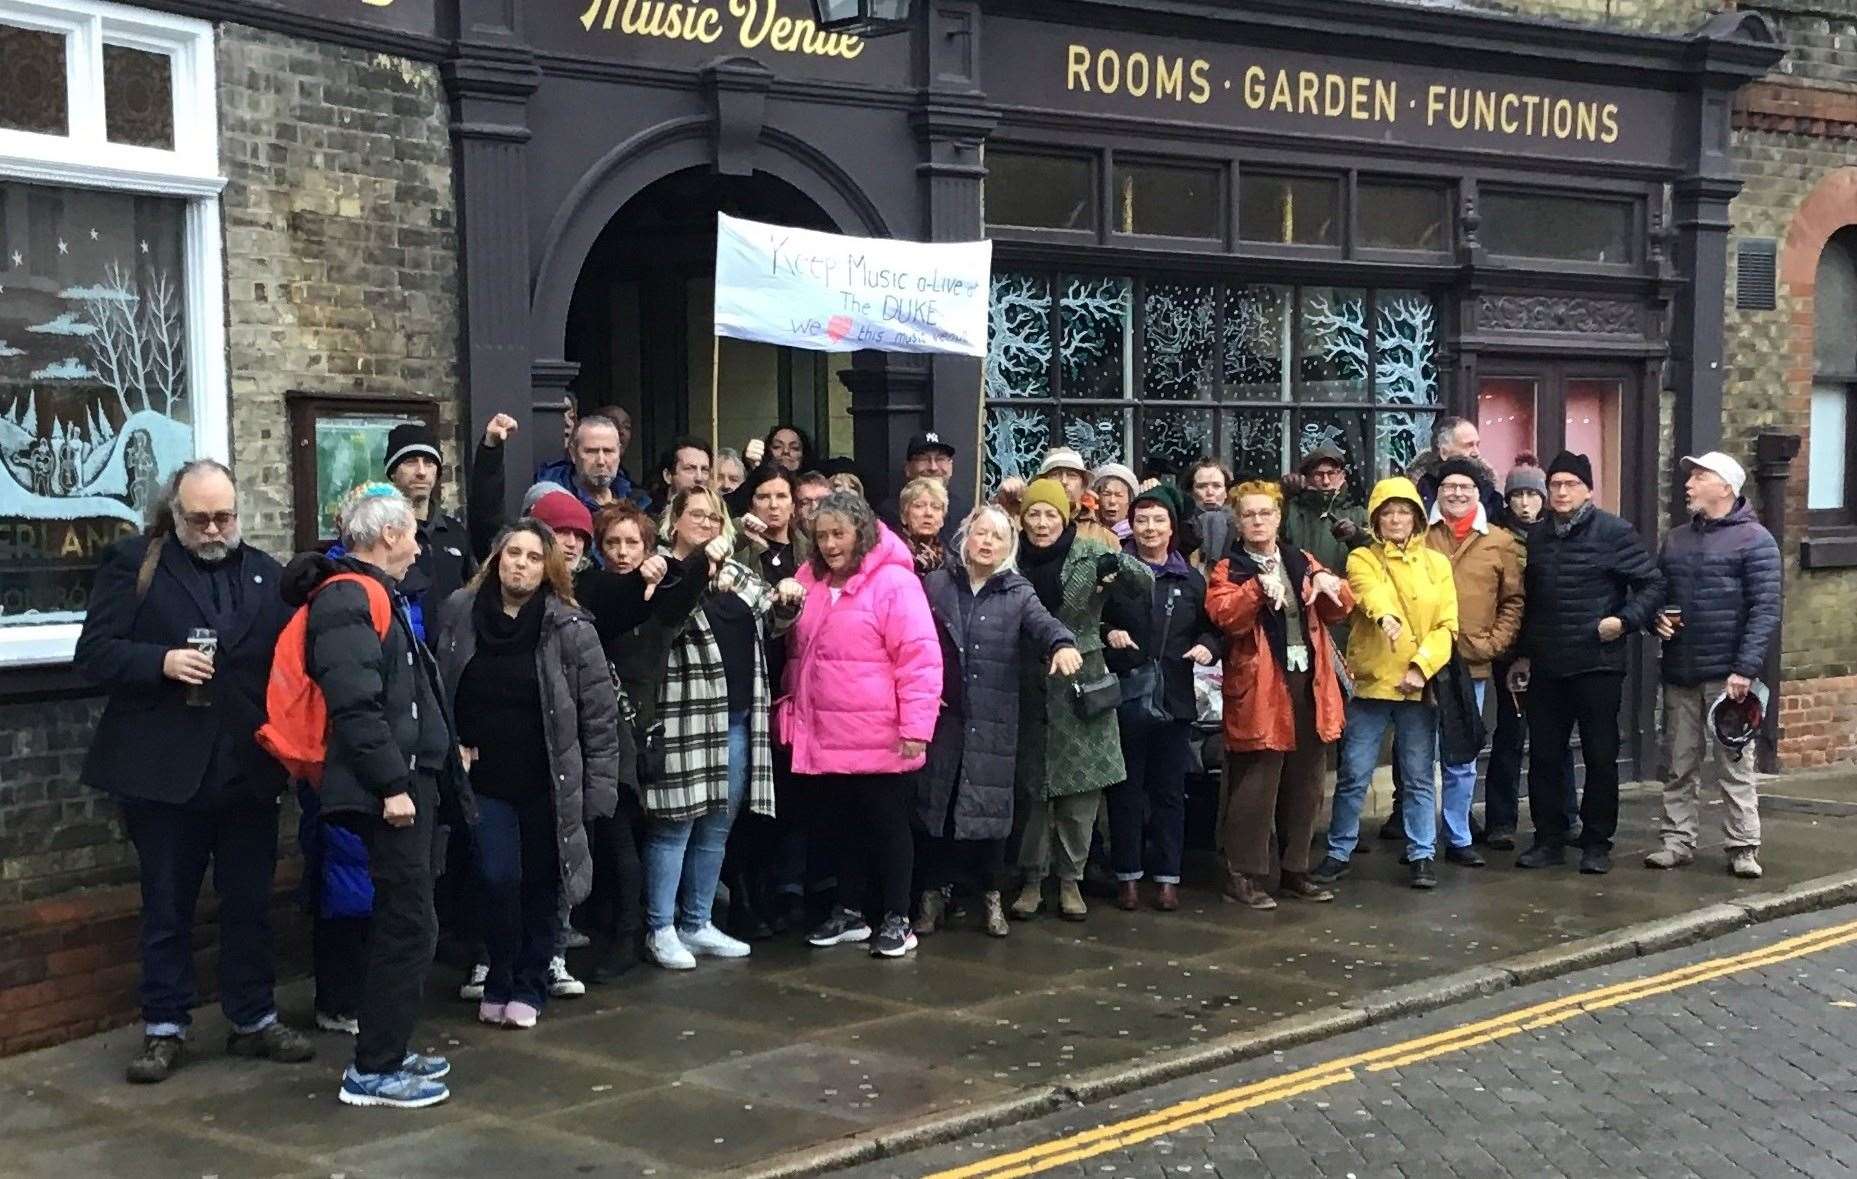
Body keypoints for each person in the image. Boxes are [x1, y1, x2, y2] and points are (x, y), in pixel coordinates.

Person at [76, 460, 313, 1084]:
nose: (213, 529)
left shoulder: (267, 573)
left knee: (249, 903)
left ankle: (254, 1018)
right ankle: (164, 1027)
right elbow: (93, 655)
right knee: (167, 904)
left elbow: (290, 666)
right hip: (162, 772)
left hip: (247, 770)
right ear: (175, 515)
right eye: (200, 518)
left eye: (224, 517)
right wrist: (162, 662)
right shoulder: (136, 563)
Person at [293, 484, 463, 1109]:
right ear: (388, 534)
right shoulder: (349, 596)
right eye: (412, 534)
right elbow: (355, 704)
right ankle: (374, 1070)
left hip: (403, 783)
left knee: (408, 920)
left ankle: (387, 1050)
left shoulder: (369, 592)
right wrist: (393, 784)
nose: (419, 544)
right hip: (385, 791)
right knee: (407, 923)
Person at [435, 521, 621, 1029]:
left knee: (542, 885)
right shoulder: (460, 613)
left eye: (533, 557)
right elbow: (438, 686)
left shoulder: (569, 627)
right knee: (497, 878)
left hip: (548, 780)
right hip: (485, 779)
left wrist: (599, 791)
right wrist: (449, 744)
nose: (520, 563)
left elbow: (599, 715)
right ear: (496, 559)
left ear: (549, 568)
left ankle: (531, 982)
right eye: (512, 553)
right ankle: (498, 974)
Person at [643, 488, 802, 969]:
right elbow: (662, 619)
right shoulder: (660, 571)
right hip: (682, 716)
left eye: (714, 516)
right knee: (675, 825)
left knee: (716, 826)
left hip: (736, 718)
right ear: (674, 521)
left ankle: (697, 921)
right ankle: (660, 928)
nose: (706, 523)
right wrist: (699, 570)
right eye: (696, 515)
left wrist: (790, 601)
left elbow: (772, 618)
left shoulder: (736, 572)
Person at [785, 493, 943, 958]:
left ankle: (897, 916)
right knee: (842, 824)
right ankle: (849, 909)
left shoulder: (895, 583)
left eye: (840, 534)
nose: (831, 545)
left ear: (862, 532)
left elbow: (919, 658)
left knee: (889, 826)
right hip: (827, 731)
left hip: (881, 731)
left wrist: (917, 727)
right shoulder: (809, 579)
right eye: (822, 536)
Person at [915, 507, 1079, 937]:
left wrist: (1062, 643)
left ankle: (991, 897)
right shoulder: (935, 585)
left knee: (991, 814)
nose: (987, 542)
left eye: (998, 537)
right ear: (966, 537)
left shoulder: (1017, 592)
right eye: (980, 533)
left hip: (994, 720)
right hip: (944, 718)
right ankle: (933, 895)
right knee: (940, 809)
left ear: (1010, 547)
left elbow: (1044, 624)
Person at [1508, 451, 1665, 875]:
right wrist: (1522, 654)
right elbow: (1530, 603)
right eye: (1554, 485)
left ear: (1587, 490)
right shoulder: (1536, 537)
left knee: (1599, 756)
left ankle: (1596, 842)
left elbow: (1652, 585)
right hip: (1546, 663)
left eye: (1570, 485)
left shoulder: (1614, 532)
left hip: (1598, 663)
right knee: (1544, 756)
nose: (1560, 492)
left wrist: (1624, 621)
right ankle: (1548, 839)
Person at [1009, 478, 1153, 921]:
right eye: (1033, 513)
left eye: (1050, 514)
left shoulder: (1089, 551)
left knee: (1081, 794)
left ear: (1065, 516)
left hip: (1082, 681)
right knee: (1032, 792)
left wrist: (1119, 564)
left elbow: (1144, 582)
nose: (1041, 522)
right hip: (1028, 682)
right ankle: (1032, 880)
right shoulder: (1011, 559)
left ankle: (1071, 880)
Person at [1206, 481, 1353, 908]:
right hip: (1259, 686)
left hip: (1309, 681)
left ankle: (1295, 868)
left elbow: (1339, 609)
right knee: (1256, 784)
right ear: (1237, 521)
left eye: (1265, 513)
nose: (1257, 521)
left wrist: (1332, 583)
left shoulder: (1299, 559)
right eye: (1249, 514)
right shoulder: (1229, 568)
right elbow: (1224, 616)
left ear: (1278, 517)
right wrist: (1255, 591)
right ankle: (1243, 875)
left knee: (1306, 781)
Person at [1311, 477, 1459, 891]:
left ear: (1416, 517)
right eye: (1388, 512)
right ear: (1376, 519)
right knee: (1355, 774)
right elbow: (1368, 591)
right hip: (1371, 685)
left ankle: (1422, 853)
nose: (1396, 519)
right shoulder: (1362, 558)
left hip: (1416, 686)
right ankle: (1339, 850)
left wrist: (1421, 666)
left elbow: (1448, 626)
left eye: (1404, 511)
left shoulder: (1438, 564)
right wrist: (1385, 617)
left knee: (1416, 776)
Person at [579, 503, 701, 978]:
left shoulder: (662, 595)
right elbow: (608, 599)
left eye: (632, 543)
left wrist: (673, 565)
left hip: (634, 729)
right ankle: (613, 928)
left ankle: (630, 936)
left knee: (623, 833)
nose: (623, 552)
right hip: (593, 725)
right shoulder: (593, 587)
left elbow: (685, 591)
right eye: (613, 543)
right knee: (606, 833)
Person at [1648, 452, 1781, 878]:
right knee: (1679, 762)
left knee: (1735, 765)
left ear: (1725, 486)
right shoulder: (1677, 539)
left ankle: (1743, 846)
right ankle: (1676, 841)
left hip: (1729, 676)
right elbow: (1659, 592)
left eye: (1699, 476)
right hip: (1681, 668)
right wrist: (1659, 618)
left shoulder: (1756, 541)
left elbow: (1765, 610)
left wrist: (1744, 669)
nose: (1688, 484)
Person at [1105, 485, 1219, 911]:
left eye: (1158, 520)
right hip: (1128, 695)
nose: (1149, 528)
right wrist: (1108, 633)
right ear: (1130, 527)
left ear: (1172, 528)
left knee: (1170, 791)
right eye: (1141, 520)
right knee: (1127, 790)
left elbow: (1212, 627)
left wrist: (1209, 646)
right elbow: (1092, 620)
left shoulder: (1189, 579)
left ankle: (1169, 876)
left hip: (1175, 698)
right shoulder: (1116, 572)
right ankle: (1127, 876)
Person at [1424, 458, 1524, 869]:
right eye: (1449, 486)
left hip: (1472, 664)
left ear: (1479, 492)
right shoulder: (1421, 535)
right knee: (1420, 756)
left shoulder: (1500, 541)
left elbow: (1513, 600)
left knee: (1461, 756)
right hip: (1424, 662)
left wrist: (1494, 643)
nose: (1457, 494)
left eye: (1465, 487)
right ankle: (1422, 839)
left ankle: (1459, 835)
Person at [372, 419, 508, 642]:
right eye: (410, 462)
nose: (421, 472)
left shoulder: (454, 533)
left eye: (428, 462)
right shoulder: (380, 535)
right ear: (393, 472)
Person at [1483, 459, 1557, 849]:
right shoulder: (1497, 539)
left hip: (1550, 647)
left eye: (1532, 495)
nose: (1525, 503)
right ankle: (1500, 821)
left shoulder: (1553, 536)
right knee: (1510, 735)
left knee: (1552, 737)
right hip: (1509, 649)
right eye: (1518, 495)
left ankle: (1562, 818)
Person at [1279, 445, 1369, 619]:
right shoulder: (1292, 511)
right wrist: (1282, 495)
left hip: (1345, 608)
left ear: (1342, 476)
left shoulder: (1358, 514)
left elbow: (1380, 550)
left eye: (1332, 474)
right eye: (1319, 475)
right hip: (1300, 606)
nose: (1326, 481)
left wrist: (1358, 535)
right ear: (1308, 478)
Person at [536, 406, 650, 511]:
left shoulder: (637, 503)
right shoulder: (549, 498)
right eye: (591, 451)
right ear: (573, 453)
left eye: (608, 451)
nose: (601, 461)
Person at [1411, 416, 1505, 520]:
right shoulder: (1415, 492)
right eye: (1469, 445)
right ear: (1444, 452)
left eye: (1477, 445)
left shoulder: (1491, 494)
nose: (1476, 453)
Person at [879, 432, 959, 541]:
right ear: (908, 468)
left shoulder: (964, 512)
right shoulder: (889, 512)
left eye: (940, 459)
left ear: (950, 466)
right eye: (924, 459)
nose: (933, 467)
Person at [898, 476, 951, 576]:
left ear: (942, 519)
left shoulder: (952, 566)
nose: (928, 513)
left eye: (936, 507)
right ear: (904, 516)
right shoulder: (892, 556)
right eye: (919, 505)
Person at [654, 437, 714, 504]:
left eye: (704, 470)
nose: (699, 478)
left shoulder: (719, 513)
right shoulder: (648, 514)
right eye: (689, 469)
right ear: (668, 476)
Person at [1092, 462, 1139, 542]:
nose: (1112, 501)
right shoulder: (1088, 530)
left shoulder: (1138, 536)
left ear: (1130, 501)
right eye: (1106, 494)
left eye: (1119, 495)